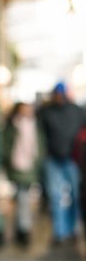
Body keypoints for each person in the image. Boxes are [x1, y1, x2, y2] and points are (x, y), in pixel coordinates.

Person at [37, 82, 86, 245]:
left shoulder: (77, 111)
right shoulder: (46, 112)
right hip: (53, 159)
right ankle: (60, 231)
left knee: (74, 196)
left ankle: (72, 229)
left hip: (73, 160)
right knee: (56, 196)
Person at [1, 102, 42, 247]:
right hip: (17, 164)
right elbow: (6, 144)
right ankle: (24, 229)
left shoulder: (35, 125)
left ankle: (22, 229)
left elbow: (39, 145)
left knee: (22, 197)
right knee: (22, 197)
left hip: (29, 165)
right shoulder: (13, 125)